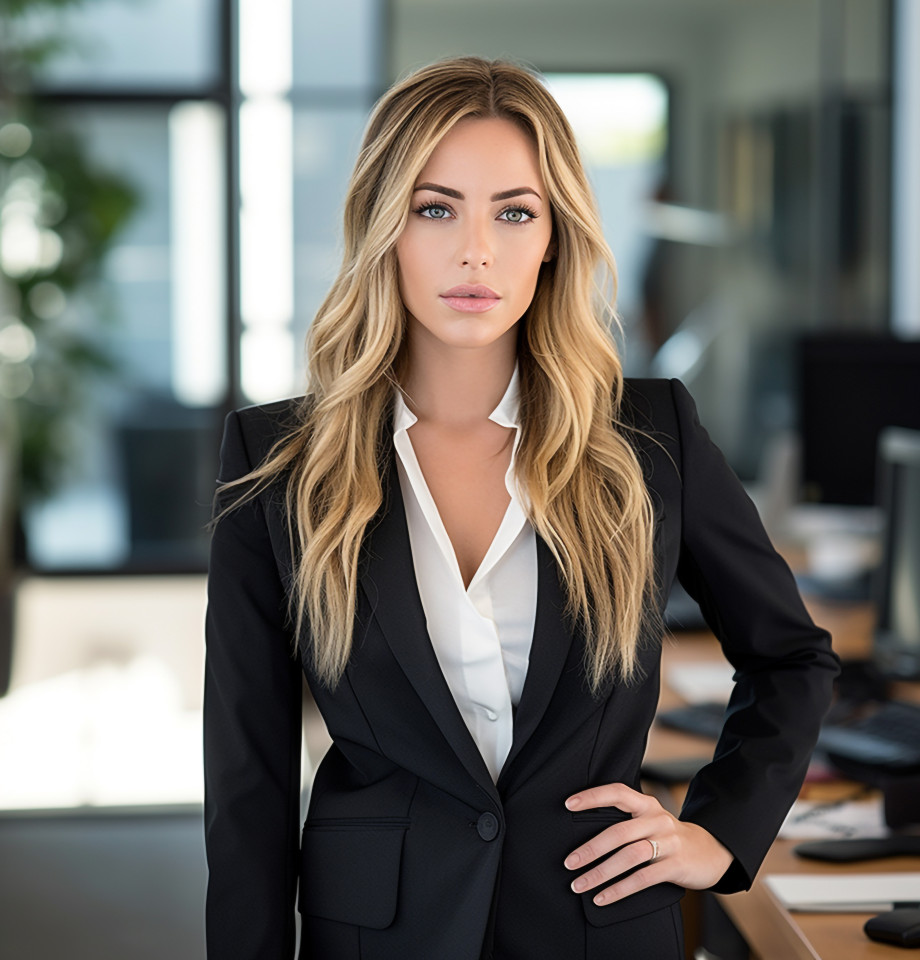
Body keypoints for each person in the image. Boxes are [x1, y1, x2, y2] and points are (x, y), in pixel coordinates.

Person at [204, 56, 839, 960]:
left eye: (514, 212)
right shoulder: (278, 460)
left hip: (597, 928)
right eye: (436, 209)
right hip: (379, 938)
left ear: (553, 236)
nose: (477, 251)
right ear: (384, 226)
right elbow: (248, 775)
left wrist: (719, 834)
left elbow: (791, 658)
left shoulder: (650, 436)